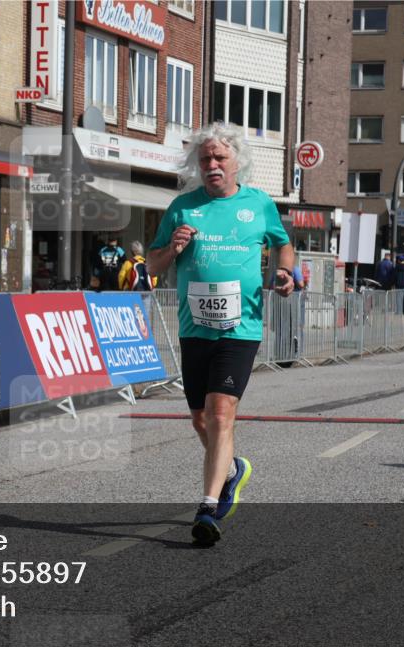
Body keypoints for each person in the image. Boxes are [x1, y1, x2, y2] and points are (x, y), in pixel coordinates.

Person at [146, 123, 295, 547]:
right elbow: (153, 266)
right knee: (198, 419)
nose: (212, 165)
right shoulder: (182, 207)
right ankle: (232, 470)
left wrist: (284, 272)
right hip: (195, 329)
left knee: (220, 413)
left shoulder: (258, 203)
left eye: (220, 158)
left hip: (240, 328)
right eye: (206, 158)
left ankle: (208, 507)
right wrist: (172, 249)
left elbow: (283, 244)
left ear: (236, 162)